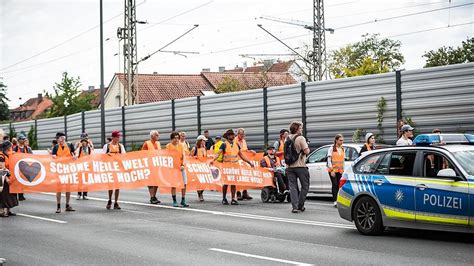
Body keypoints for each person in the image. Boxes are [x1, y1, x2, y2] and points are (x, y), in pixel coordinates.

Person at [213, 129, 254, 205]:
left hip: (235, 167)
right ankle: (224, 198)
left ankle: (233, 199)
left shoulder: (236, 144)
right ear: (228, 136)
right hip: (226, 167)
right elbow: (218, 153)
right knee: (226, 183)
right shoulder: (224, 144)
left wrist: (249, 162)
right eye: (231, 135)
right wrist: (213, 160)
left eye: (233, 135)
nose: (233, 136)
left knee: (233, 183)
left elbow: (241, 155)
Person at [285, 122, 310, 213]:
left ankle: (294, 207)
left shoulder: (287, 138)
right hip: (300, 166)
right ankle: (300, 205)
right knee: (305, 186)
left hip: (289, 166)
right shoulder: (300, 138)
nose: (302, 129)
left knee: (293, 187)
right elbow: (306, 151)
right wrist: (306, 145)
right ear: (297, 129)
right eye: (301, 128)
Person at [51, 132, 76, 213]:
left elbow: (74, 154)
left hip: (67, 169)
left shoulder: (69, 145)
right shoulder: (56, 147)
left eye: (58, 138)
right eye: (57, 138)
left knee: (68, 188)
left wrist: (75, 157)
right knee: (59, 189)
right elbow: (53, 157)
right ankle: (58, 206)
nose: (58, 139)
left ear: (62, 138)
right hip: (59, 170)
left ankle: (67, 205)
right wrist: (53, 157)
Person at [103, 131, 125, 210]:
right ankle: (109, 199)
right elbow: (102, 157)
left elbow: (124, 156)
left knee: (117, 186)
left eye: (119, 137)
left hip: (118, 168)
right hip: (110, 168)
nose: (118, 138)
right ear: (113, 137)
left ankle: (116, 202)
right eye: (117, 137)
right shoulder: (107, 146)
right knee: (110, 186)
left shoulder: (120, 146)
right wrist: (107, 155)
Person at [166, 131, 189, 207]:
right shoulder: (168, 146)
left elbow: (184, 156)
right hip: (173, 168)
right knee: (173, 184)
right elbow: (167, 157)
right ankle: (174, 200)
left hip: (181, 167)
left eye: (177, 138)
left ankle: (183, 200)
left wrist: (183, 165)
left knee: (184, 183)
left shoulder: (181, 145)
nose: (176, 139)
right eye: (175, 138)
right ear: (171, 139)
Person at [235, 128, 255, 200]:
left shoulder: (244, 141)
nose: (243, 136)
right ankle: (238, 193)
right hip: (237, 161)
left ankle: (245, 192)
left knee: (245, 175)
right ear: (238, 134)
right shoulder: (235, 141)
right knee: (238, 177)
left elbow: (245, 150)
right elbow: (237, 152)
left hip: (244, 161)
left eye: (244, 134)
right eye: (241, 134)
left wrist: (250, 151)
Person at [142, 130, 162, 205]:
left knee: (157, 181)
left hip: (157, 165)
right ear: (152, 136)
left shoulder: (158, 143)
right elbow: (142, 154)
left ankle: (154, 196)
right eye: (156, 135)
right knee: (150, 182)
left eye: (158, 135)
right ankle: (152, 196)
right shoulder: (147, 143)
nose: (158, 136)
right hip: (149, 165)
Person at [0, 142, 18, 217]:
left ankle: (8, 210)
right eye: (10, 147)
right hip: (2, 176)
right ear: (7, 148)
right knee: (3, 194)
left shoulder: (9, 155)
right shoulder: (1, 156)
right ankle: (1, 211)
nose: (11, 148)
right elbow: (2, 168)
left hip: (9, 175)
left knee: (10, 194)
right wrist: (6, 178)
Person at [327, 134, 345, 208]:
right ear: (336, 140)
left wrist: (343, 169)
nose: (342, 142)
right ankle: (335, 201)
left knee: (339, 185)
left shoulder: (342, 149)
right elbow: (329, 160)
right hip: (333, 170)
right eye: (340, 140)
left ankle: (338, 200)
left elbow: (343, 160)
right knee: (334, 184)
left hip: (340, 170)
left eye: (342, 140)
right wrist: (331, 170)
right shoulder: (331, 148)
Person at [13, 134, 32, 201]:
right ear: (19, 140)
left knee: (23, 181)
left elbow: (31, 156)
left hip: (25, 166)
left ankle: (22, 194)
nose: (23, 140)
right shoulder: (15, 148)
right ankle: (19, 195)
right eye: (22, 139)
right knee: (18, 181)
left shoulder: (27, 148)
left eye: (24, 139)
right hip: (17, 167)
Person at [75, 133, 93, 200]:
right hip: (80, 165)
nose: (84, 140)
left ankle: (85, 194)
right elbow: (75, 153)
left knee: (86, 180)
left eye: (85, 138)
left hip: (87, 166)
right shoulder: (79, 147)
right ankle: (79, 194)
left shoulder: (89, 147)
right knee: (80, 180)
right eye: (83, 138)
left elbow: (92, 154)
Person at [191, 135, 208, 202]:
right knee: (199, 182)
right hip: (197, 167)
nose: (205, 142)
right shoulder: (195, 148)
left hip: (204, 167)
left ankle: (201, 192)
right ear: (200, 141)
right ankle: (199, 194)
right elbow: (190, 157)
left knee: (205, 182)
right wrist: (194, 158)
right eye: (204, 140)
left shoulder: (205, 148)